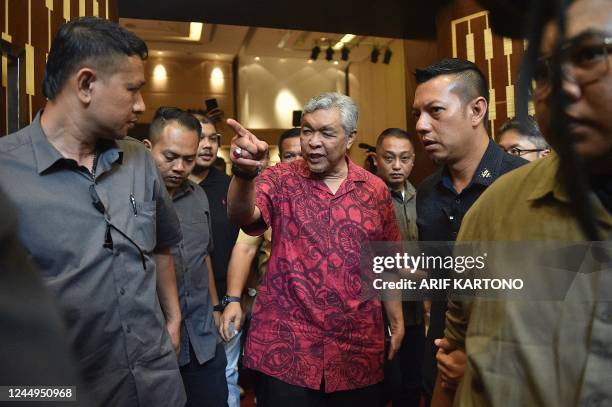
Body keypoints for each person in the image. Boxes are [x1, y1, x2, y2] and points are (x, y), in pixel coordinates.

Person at [0, 17, 185, 406]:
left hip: (157, 385)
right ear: (86, 84)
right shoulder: (5, 174)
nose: (141, 105)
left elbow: (162, 245)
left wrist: (174, 320)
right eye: (133, 90)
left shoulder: (139, 158)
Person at [434, 0, 612, 405]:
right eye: (544, 73)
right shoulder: (493, 214)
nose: (563, 89)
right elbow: (455, 360)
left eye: (588, 55)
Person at [221, 92, 404, 407]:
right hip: (287, 349)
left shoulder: (374, 191)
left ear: (350, 138)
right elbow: (242, 215)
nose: (313, 142)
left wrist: (396, 320)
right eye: (307, 131)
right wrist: (244, 172)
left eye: (326, 133)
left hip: (356, 350)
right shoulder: (279, 179)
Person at [411, 58, 527, 405]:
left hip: (510, 373)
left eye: (435, 111)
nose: (421, 125)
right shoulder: (427, 192)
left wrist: (482, 360)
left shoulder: (521, 184)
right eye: (417, 113)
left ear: (477, 111)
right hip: (441, 364)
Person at [144, 107, 228, 407]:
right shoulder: (130, 198)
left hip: (204, 340)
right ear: (148, 148)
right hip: (156, 347)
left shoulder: (198, 196)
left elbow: (203, 257)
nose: (180, 167)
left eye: (188, 159)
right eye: (170, 157)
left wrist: (217, 307)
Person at [188, 110, 241, 407]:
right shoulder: (166, 187)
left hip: (227, 300)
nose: (207, 145)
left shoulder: (231, 187)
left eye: (213, 138)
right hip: (183, 303)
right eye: (200, 138)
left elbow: (245, 246)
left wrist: (239, 297)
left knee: (227, 376)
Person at [225, 127, 302, 330]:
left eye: (301, 154)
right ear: (280, 158)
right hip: (274, 306)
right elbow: (245, 248)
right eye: (290, 155)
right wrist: (232, 300)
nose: (296, 161)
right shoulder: (268, 193)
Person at [375, 128, 424, 406]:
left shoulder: (422, 196)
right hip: (378, 310)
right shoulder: (368, 197)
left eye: (404, 158)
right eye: (389, 158)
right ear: (375, 159)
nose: (397, 166)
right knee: (385, 384)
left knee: (412, 382)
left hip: (415, 308)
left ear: (413, 160)